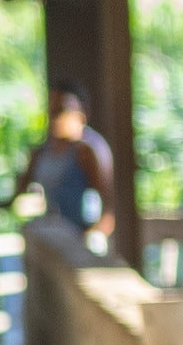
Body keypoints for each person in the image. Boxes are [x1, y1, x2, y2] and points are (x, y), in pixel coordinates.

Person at [23, 88, 117, 257]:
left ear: (81, 115)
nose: (56, 118)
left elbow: (108, 212)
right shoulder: (41, 153)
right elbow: (18, 192)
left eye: (62, 111)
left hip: (83, 241)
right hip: (55, 239)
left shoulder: (86, 151)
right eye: (52, 111)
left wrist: (92, 237)